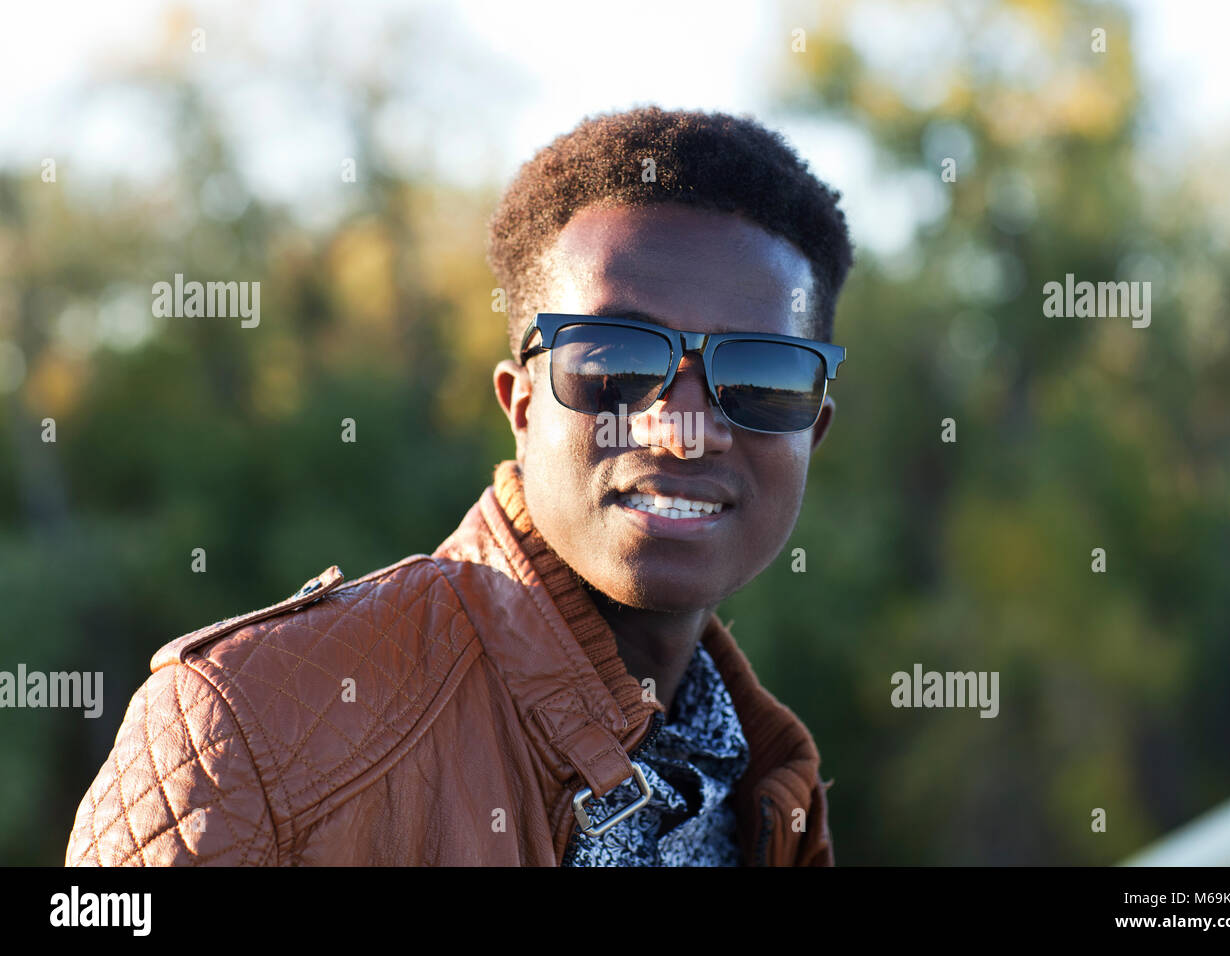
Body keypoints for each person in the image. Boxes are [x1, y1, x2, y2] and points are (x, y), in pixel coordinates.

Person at [65, 105, 854, 866]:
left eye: (760, 375)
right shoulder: (249, 730)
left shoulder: (770, 786)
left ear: (812, 430)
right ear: (519, 405)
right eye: (615, 362)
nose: (682, 428)